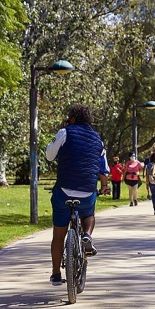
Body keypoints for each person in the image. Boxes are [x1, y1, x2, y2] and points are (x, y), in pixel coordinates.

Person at [44, 105, 110, 287]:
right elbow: (103, 169)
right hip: (88, 191)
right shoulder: (98, 139)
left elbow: (49, 156)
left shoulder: (65, 132)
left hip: (64, 190)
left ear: (72, 118)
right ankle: (87, 235)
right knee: (88, 215)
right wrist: (104, 186)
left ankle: (56, 274)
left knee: (58, 235)